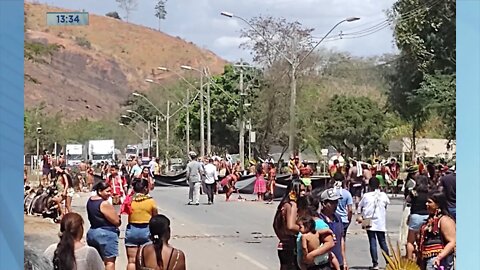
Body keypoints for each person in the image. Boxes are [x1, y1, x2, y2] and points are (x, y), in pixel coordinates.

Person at [86, 181, 121, 270]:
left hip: (92, 232)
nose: (110, 194)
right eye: (107, 191)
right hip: (106, 233)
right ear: (100, 191)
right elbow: (116, 222)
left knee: (96, 262)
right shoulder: (104, 203)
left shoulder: (90, 201)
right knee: (109, 262)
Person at [356, 177, 390, 270]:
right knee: (383, 242)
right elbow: (386, 205)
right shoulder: (383, 195)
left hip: (369, 221)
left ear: (369, 186)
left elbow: (360, 206)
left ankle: (375, 264)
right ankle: (389, 263)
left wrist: (360, 215)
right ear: (379, 185)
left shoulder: (366, 195)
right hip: (380, 221)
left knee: (372, 242)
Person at [124, 178, 158, 270]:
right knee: (147, 260)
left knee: (132, 261)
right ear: (146, 188)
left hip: (132, 230)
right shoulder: (150, 201)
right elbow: (155, 217)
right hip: (147, 230)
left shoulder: (130, 201)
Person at [416, 192, 456, 270]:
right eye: (426, 202)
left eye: (430, 202)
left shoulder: (444, 220)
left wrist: (439, 257)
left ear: (438, 204)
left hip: (439, 261)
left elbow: (452, 242)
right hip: (426, 259)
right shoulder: (430, 220)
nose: (426, 204)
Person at [273, 179, 306, 270]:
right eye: (301, 190)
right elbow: (290, 226)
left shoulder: (285, 205)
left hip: (285, 245)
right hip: (290, 247)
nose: (304, 193)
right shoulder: (290, 205)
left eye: (304, 190)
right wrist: (305, 229)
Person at [317, 188, 349, 270]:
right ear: (324, 204)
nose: (335, 205)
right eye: (332, 202)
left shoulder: (338, 218)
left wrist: (344, 259)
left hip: (339, 262)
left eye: (336, 202)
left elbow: (341, 238)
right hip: (325, 263)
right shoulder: (319, 220)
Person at [405, 175, 430, 260]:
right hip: (427, 217)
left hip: (415, 216)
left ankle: (409, 259)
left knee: (410, 241)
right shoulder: (429, 192)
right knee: (425, 240)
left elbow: (407, 200)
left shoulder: (414, 192)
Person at [331, 173, 353, 240]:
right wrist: (349, 219)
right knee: (342, 240)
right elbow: (350, 210)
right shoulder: (347, 193)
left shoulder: (330, 192)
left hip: (333, 220)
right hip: (344, 220)